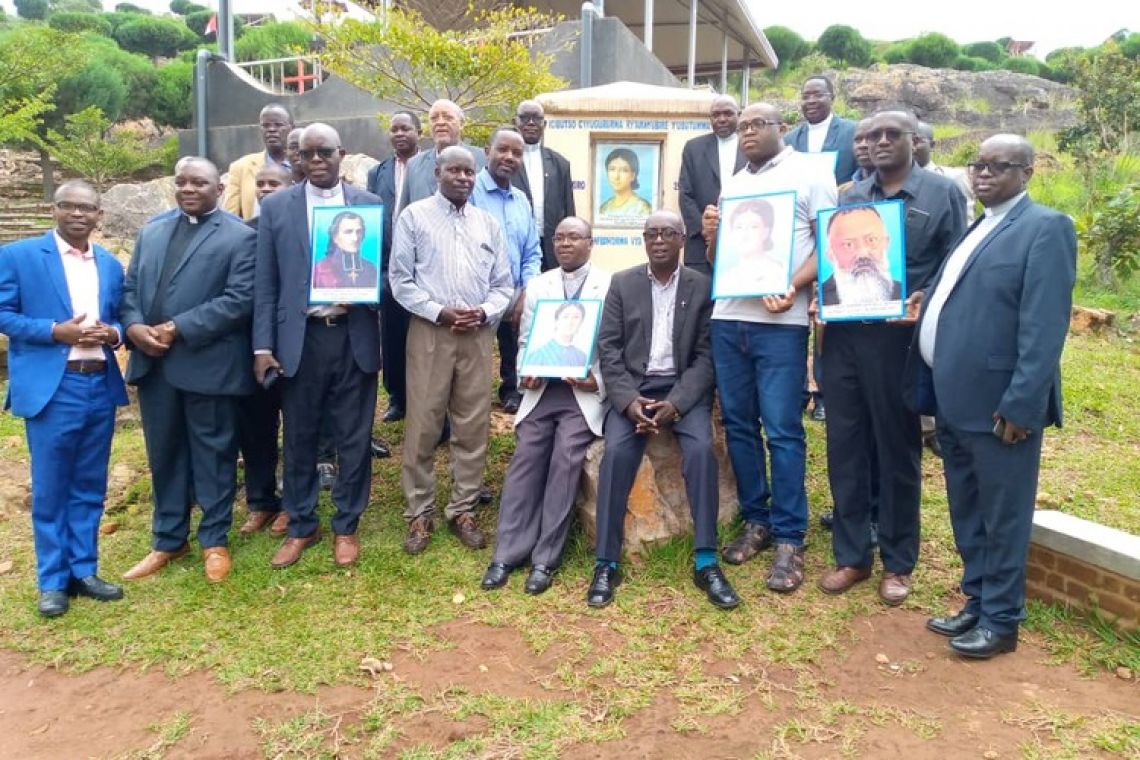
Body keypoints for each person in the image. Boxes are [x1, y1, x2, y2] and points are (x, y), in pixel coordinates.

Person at [910, 135, 1075, 658]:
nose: (984, 174)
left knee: (1002, 515)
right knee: (967, 509)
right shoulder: (979, 224)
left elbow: (1044, 326)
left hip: (1000, 407)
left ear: (1027, 172)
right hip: (954, 399)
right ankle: (978, 599)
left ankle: (1002, 621)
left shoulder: (1045, 228)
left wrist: (1024, 403)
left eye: (998, 166)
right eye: (978, 165)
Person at [818, 111, 967, 606]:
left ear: (914, 140)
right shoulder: (851, 198)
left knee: (897, 449)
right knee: (845, 447)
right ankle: (852, 556)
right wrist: (823, 295)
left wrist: (922, 297)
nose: (880, 142)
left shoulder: (941, 195)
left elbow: (955, 267)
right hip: (842, 342)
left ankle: (899, 562)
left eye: (891, 134)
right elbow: (832, 262)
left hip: (898, 345)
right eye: (870, 135)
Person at [700, 102, 837, 593]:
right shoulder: (734, 183)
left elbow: (828, 242)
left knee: (782, 428)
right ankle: (756, 519)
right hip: (729, 318)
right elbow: (719, 259)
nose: (748, 133)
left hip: (781, 323)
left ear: (782, 127)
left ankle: (789, 535)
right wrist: (711, 237)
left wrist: (796, 286)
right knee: (739, 424)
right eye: (741, 128)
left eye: (757, 124)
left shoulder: (810, 173)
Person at [589, 210, 740, 610]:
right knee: (617, 454)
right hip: (636, 390)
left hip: (681, 390)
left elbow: (707, 357)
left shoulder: (701, 286)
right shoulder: (622, 284)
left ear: (682, 238)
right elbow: (609, 349)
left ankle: (706, 560)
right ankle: (606, 562)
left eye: (667, 233)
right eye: (651, 233)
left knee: (700, 451)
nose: (658, 240)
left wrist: (677, 402)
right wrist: (628, 401)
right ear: (644, 239)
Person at [253, 123, 383, 570]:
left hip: (354, 335)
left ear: (341, 153)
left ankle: (347, 525)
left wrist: (367, 291)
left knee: (354, 436)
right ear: (297, 160)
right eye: (307, 154)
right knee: (301, 436)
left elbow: (386, 272)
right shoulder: (277, 208)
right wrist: (261, 346)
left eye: (324, 152)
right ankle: (301, 524)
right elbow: (265, 283)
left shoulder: (368, 205)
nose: (316, 161)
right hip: (300, 339)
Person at [120, 158, 257, 584]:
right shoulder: (153, 230)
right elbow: (129, 289)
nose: (189, 188)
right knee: (164, 455)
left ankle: (214, 540)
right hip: (154, 364)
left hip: (207, 364)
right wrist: (134, 326)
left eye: (199, 182)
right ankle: (168, 538)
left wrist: (179, 327)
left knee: (213, 456)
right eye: (182, 182)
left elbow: (239, 300)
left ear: (219, 187)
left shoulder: (240, 237)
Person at [0, 181, 128, 618]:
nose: (78, 214)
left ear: (99, 216)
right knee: (53, 486)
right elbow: (4, 314)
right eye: (69, 206)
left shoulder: (109, 264)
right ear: (52, 209)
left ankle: (84, 569)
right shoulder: (19, 256)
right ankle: (52, 581)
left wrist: (113, 334)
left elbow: (122, 317)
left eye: (87, 208)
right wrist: (57, 331)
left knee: (90, 484)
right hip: (55, 386)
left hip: (98, 382)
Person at [390, 146, 514, 555]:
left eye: (469, 172)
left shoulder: (488, 224)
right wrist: (440, 312)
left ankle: (463, 509)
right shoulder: (414, 217)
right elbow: (400, 280)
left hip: (476, 336)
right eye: (454, 170)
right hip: (431, 333)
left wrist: (483, 311)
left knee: (472, 423)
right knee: (423, 423)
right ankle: (419, 514)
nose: (463, 177)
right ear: (437, 173)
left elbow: (503, 285)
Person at [482, 217, 611, 594]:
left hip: (581, 394)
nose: (566, 243)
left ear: (591, 242)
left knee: (566, 459)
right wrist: (527, 374)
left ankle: (545, 558)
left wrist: (597, 382)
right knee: (526, 459)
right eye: (559, 237)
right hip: (543, 394)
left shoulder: (610, 285)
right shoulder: (539, 286)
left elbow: (615, 348)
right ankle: (507, 552)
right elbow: (524, 343)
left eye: (574, 237)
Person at [236, 163, 293, 538]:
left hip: (297, 342)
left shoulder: (304, 231)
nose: (267, 189)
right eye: (262, 184)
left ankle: (292, 503)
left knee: (299, 428)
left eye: (275, 183)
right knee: (256, 426)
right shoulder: (242, 233)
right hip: (254, 344)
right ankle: (260, 501)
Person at [471, 127, 542, 414]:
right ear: (487, 151)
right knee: (474, 352)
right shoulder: (470, 191)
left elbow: (532, 251)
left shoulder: (522, 200)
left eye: (516, 153)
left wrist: (529, 290)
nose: (509, 157)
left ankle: (512, 389)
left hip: (514, 289)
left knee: (515, 341)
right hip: (478, 292)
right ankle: (472, 397)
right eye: (503, 150)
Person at [366, 110, 422, 423]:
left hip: (421, 265)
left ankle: (421, 395)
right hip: (387, 266)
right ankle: (397, 398)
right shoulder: (378, 172)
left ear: (419, 133)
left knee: (421, 335)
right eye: (394, 129)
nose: (399, 134)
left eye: (406, 128)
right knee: (392, 334)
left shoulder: (428, 166)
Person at [678, 95, 746, 277]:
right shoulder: (694, 148)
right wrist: (704, 228)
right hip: (701, 245)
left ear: (739, 115)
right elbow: (685, 194)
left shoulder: (750, 146)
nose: (721, 119)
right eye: (716, 115)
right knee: (700, 300)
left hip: (746, 240)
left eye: (728, 114)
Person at [512, 100, 577, 272]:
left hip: (551, 248)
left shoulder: (560, 164)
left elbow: (569, 210)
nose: (531, 123)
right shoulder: (506, 162)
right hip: (515, 248)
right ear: (515, 123)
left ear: (544, 124)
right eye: (525, 118)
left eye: (537, 118)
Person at [399, 99, 487, 213]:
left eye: (448, 117)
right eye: (434, 118)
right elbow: (403, 213)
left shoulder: (483, 159)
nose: (440, 122)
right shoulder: (414, 165)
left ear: (462, 124)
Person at [820, 205, 904, 307]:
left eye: (871, 240)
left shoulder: (905, 295)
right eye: (848, 245)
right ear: (831, 254)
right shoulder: (821, 300)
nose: (862, 254)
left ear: (886, 243)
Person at [222, 103, 294, 220]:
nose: (271, 130)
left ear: (292, 128)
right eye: (265, 125)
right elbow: (230, 217)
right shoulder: (240, 167)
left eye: (278, 125)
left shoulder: (305, 165)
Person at [784, 77, 858, 186]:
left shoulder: (852, 131)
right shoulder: (790, 139)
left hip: (845, 200)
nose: (811, 101)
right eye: (805, 97)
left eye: (818, 95)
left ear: (832, 98)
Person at [714, 197, 791, 297]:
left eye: (753, 227)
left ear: (766, 232)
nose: (744, 235)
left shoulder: (780, 274)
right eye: (739, 227)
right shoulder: (725, 280)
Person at [915, 121, 975, 223]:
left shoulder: (953, 177)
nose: (911, 146)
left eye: (917, 141)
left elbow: (966, 223)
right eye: (907, 140)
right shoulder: (890, 181)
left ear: (932, 145)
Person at [311, 210, 380, 290]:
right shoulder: (320, 270)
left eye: (359, 232)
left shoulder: (371, 268)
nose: (355, 238)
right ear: (335, 237)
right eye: (348, 232)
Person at [524, 300, 589, 370]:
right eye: (565, 317)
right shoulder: (539, 354)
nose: (570, 322)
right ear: (557, 321)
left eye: (576, 317)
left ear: (581, 322)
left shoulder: (581, 356)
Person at [598, 148, 653, 219]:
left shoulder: (642, 207)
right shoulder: (604, 208)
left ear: (633, 175)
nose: (616, 176)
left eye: (624, 170)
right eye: (612, 169)